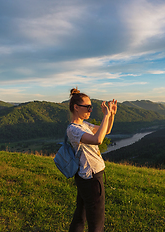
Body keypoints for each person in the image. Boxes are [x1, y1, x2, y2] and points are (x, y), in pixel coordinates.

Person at [67, 88, 117, 232]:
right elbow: (98, 140)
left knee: (80, 215)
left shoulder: (84, 125)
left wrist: (111, 115)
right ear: (76, 108)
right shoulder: (74, 129)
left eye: (91, 107)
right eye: (87, 107)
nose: (90, 110)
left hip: (85, 177)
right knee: (96, 223)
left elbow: (105, 130)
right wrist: (106, 116)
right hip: (91, 178)